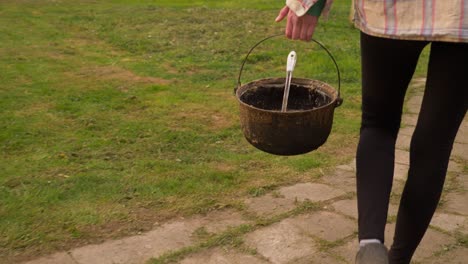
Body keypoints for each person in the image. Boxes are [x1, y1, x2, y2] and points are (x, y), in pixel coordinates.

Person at [276, 0, 468, 263]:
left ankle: (371, 244)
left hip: (392, 10)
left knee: (379, 125)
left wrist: (307, 4)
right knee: (434, 143)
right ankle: (397, 260)